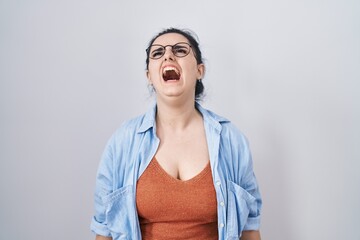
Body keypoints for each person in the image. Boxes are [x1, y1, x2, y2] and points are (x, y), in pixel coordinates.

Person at [91, 28, 262, 240]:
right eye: (157, 53)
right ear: (149, 76)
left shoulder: (231, 140)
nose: (168, 55)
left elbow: (249, 229)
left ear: (200, 71)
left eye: (180, 50)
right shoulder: (122, 142)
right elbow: (104, 231)